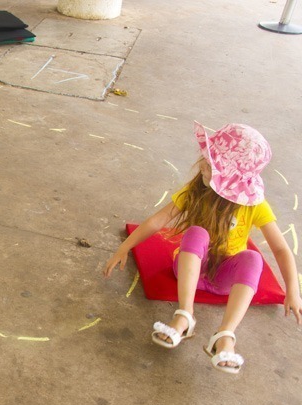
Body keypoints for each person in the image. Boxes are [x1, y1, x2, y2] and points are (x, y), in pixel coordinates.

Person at [103, 122, 302, 374]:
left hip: (224, 279)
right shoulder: (196, 191)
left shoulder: (255, 205)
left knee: (253, 258)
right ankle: (185, 315)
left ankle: (225, 335)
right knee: (197, 232)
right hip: (190, 270)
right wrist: (125, 247)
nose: (203, 165)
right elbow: (158, 220)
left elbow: (281, 249)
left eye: (211, 164)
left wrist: (292, 291)